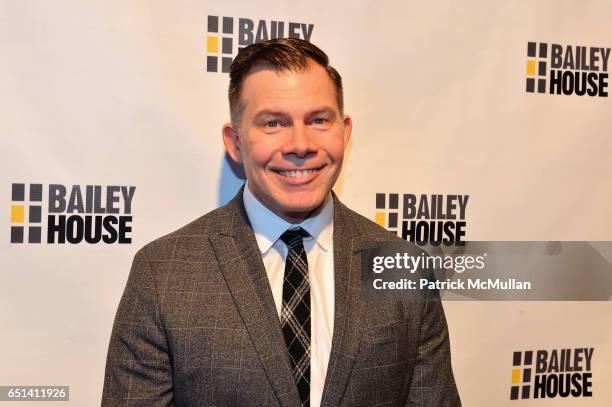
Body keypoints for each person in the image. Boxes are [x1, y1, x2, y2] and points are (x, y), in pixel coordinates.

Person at [102, 38, 461, 407]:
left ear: (345, 131)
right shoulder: (163, 273)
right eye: (273, 123)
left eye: (319, 120)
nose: (300, 144)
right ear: (236, 142)